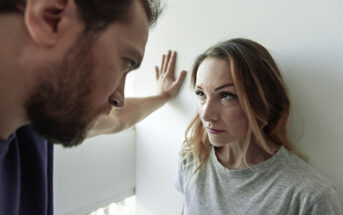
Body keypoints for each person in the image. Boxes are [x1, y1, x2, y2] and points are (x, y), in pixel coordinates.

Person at [0, 0, 187, 214]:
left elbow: (119, 119)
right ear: (51, 17)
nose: (119, 98)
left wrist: (163, 96)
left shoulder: (35, 118)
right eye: (126, 61)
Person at [175, 38, 342, 214]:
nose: (207, 114)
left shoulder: (309, 197)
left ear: (264, 100)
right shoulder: (193, 159)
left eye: (227, 95)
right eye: (201, 93)